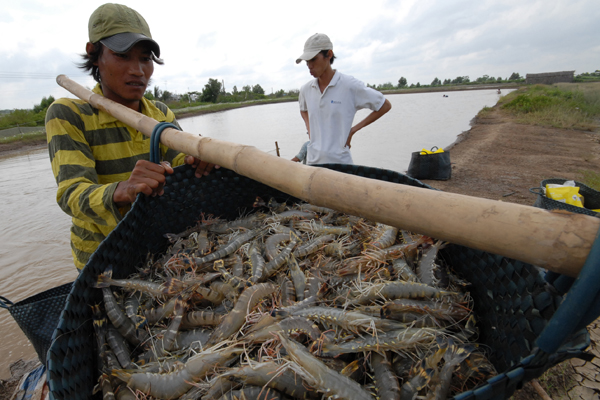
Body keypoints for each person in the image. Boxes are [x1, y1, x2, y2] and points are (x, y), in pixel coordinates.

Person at [45, 3, 216, 270]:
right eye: (123, 56)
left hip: (156, 246)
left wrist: (199, 160)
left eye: (145, 58)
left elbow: (182, 160)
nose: (138, 70)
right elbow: (71, 194)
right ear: (94, 55)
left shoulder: (160, 113)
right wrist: (123, 190)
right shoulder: (69, 113)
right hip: (102, 257)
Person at [296, 33, 392, 165]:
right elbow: (303, 109)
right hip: (313, 163)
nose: (309, 66)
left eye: (313, 59)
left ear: (329, 55)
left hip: (341, 164)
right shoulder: (306, 90)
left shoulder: (349, 86)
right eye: (307, 61)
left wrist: (352, 130)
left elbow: (384, 105)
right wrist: (310, 129)